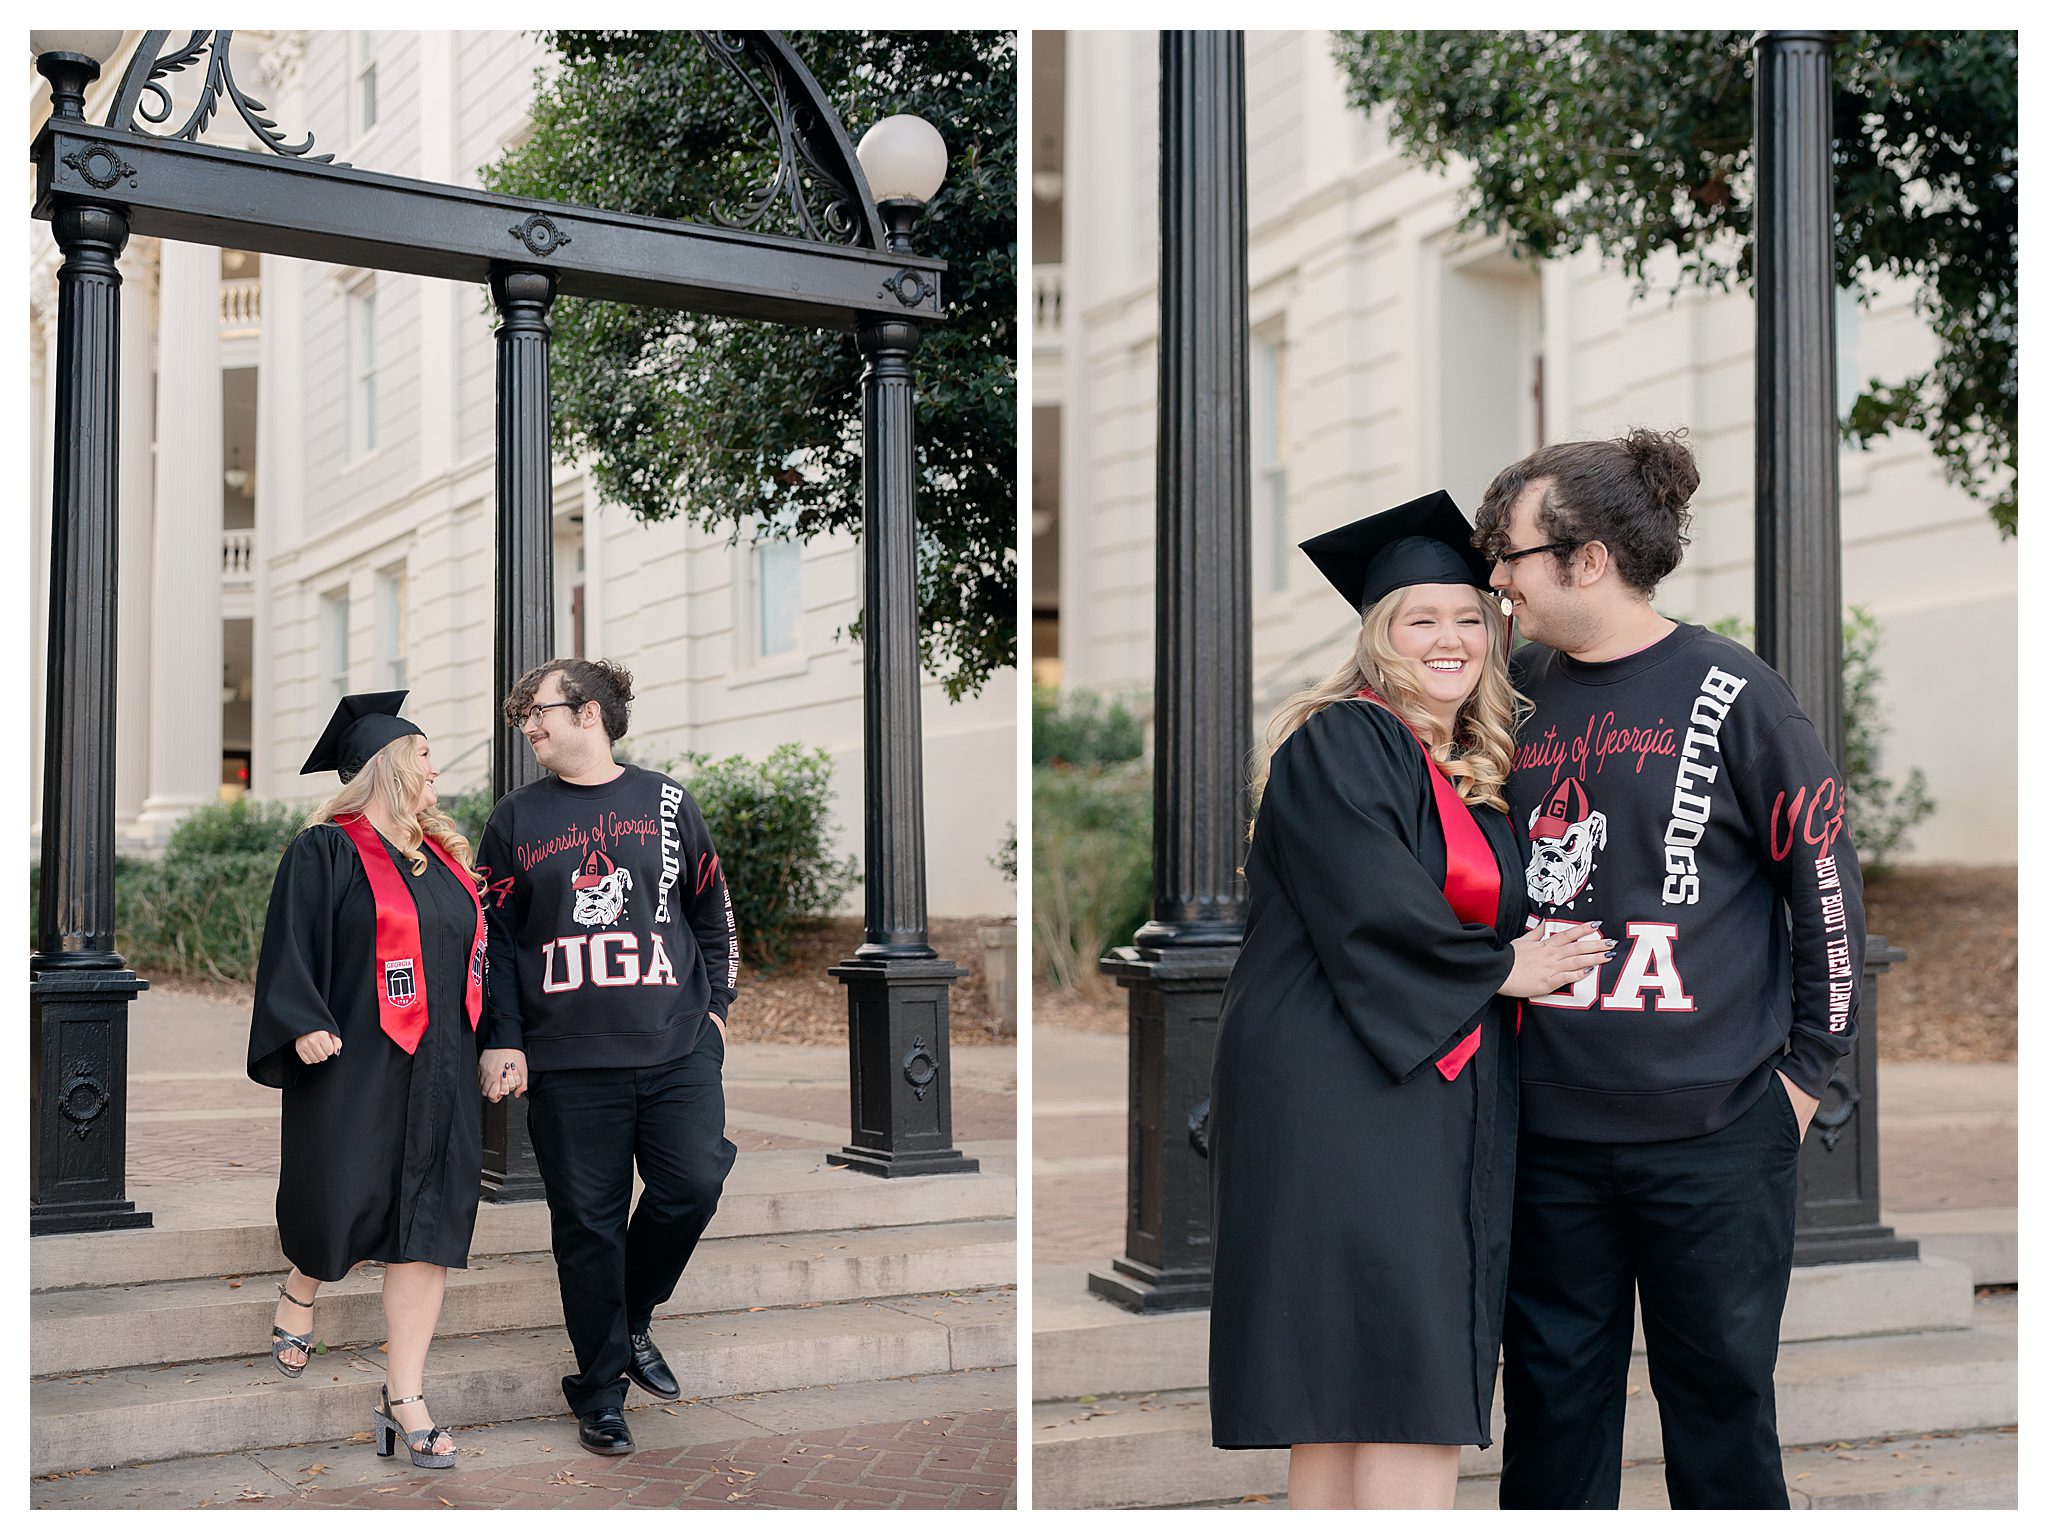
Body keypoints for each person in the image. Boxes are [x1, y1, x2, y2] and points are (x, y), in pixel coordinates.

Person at [1476, 429, 1865, 1509]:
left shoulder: (1734, 693)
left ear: (1587, 559)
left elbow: (1825, 889)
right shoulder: (1512, 691)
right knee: (1550, 1423)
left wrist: (1805, 1076)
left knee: (1721, 1417)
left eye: (1510, 555)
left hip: (1715, 1134)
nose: (1495, 578)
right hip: (1547, 1135)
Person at [1207, 492, 1609, 1510]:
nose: (1449, 638)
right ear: (1378, 635)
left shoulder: (1462, 767)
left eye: (1469, 616)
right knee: (1400, 1365)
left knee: (1361, 1372)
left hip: (1411, 1085)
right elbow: (1369, 904)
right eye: (1419, 618)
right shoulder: (1344, 740)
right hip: (1350, 1089)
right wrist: (1501, 968)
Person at [474, 658, 739, 1457]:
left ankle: (630, 1319)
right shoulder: (515, 818)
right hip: (567, 1058)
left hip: (677, 1043)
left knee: (693, 1184)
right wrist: (504, 1037)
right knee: (587, 1228)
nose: (528, 726)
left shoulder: (667, 802)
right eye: (523, 715)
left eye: (539, 711)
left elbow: (713, 913)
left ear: (588, 712)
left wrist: (716, 1014)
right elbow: (495, 938)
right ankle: (599, 1393)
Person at [247, 691, 487, 1471]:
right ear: (388, 766)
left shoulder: (445, 861)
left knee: (428, 1230)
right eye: (425, 756)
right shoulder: (324, 851)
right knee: (341, 1199)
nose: (436, 770)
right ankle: (301, 1287)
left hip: (441, 1068)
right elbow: (289, 944)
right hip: (354, 1062)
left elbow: (480, 961)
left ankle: (404, 1397)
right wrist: (299, 1019)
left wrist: (498, 1045)